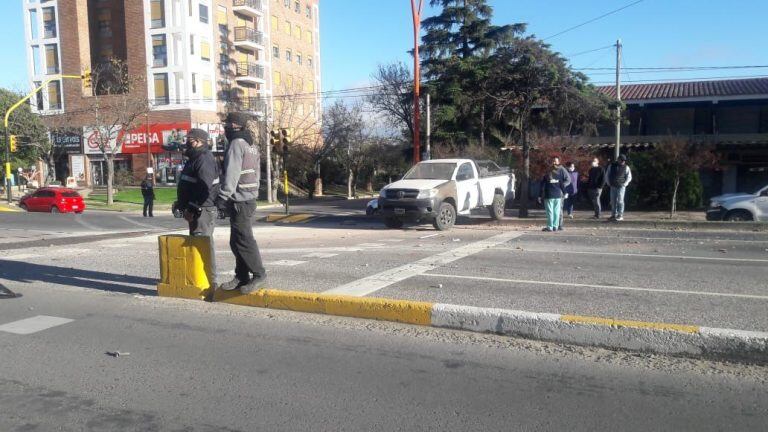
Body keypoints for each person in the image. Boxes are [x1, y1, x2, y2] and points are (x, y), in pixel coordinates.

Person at [216, 113, 267, 294]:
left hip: (239, 200)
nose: (225, 127)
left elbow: (232, 172)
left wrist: (223, 196)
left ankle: (259, 275)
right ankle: (241, 275)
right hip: (248, 198)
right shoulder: (251, 144)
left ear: (234, 125)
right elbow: (257, 172)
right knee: (236, 240)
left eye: (227, 124)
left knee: (243, 239)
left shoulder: (236, 144)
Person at [177, 128, 219, 236]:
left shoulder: (204, 158)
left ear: (199, 141)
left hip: (202, 209)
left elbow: (203, 187)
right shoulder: (194, 158)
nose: (187, 144)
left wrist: (192, 208)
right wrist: (181, 204)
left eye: (190, 141)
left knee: (201, 245)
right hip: (197, 209)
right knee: (197, 244)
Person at [538, 156, 570, 232]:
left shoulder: (546, 175)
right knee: (556, 211)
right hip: (558, 195)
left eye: (555, 161)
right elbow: (562, 184)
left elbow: (542, 186)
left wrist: (539, 195)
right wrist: (565, 192)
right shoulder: (559, 175)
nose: (554, 162)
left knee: (550, 212)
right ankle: (555, 226)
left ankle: (550, 226)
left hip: (549, 195)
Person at [605, 154, 632, 221]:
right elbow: (607, 175)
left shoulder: (626, 167)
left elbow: (629, 177)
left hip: (621, 186)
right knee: (613, 201)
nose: (623, 161)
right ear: (618, 160)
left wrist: (625, 184)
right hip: (613, 186)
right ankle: (613, 215)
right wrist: (608, 183)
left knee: (620, 201)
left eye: (624, 160)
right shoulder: (611, 166)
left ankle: (620, 215)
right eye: (622, 160)